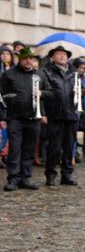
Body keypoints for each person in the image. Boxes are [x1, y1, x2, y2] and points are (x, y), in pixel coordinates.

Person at [1, 47, 48, 191]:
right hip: (15, 118)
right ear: (19, 59)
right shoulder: (9, 75)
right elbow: (1, 96)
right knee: (15, 149)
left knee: (29, 149)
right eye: (26, 58)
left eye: (31, 59)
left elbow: (51, 92)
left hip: (34, 118)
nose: (29, 61)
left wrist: (42, 93)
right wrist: (2, 118)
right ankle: (13, 179)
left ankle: (26, 178)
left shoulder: (40, 74)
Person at [40, 45, 79, 186]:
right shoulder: (47, 72)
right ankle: (50, 175)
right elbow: (43, 94)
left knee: (69, 148)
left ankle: (67, 175)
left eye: (64, 54)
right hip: (54, 115)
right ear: (53, 57)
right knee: (54, 148)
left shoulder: (74, 73)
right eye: (59, 54)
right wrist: (43, 113)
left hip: (71, 115)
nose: (62, 56)